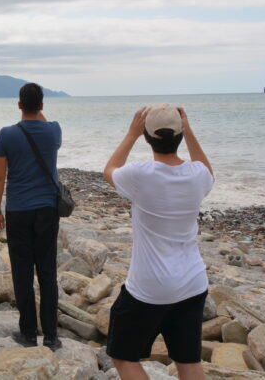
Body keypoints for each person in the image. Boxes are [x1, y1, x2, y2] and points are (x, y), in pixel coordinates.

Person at [103, 105, 214, 380]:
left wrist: (130, 134)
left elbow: (110, 169)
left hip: (149, 287)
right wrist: (188, 129)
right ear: (180, 134)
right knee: (188, 361)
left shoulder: (141, 175)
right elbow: (206, 167)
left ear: (147, 137)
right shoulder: (198, 175)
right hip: (192, 282)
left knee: (123, 355)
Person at [0, 82, 63, 349]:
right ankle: (52, 337)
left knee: (22, 272)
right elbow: (43, 123)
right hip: (47, 209)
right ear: (42, 105)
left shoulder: (7, 134)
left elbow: (0, 176)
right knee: (47, 271)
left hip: (18, 209)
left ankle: (29, 333)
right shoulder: (53, 131)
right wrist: (37, 112)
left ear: (18, 105)